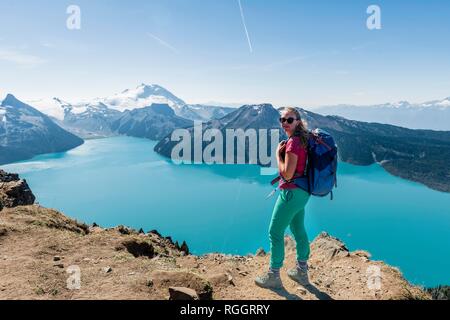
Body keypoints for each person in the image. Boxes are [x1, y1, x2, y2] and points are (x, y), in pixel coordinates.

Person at [255, 107, 311, 289]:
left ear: (298, 121)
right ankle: (302, 271)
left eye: (289, 119)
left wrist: (278, 156)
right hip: (303, 192)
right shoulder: (304, 139)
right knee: (298, 229)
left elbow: (287, 175)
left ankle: (273, 276)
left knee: (275, 232)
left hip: (291, 193)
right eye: (282, 119)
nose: (284, 123)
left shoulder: (293, 143)